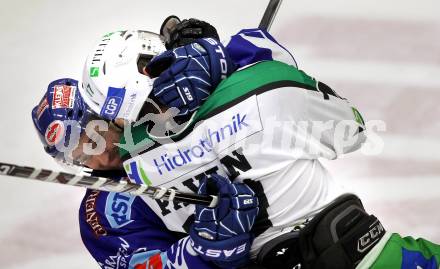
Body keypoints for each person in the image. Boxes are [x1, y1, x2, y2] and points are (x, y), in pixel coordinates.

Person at [32, 19, 440, 269]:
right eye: (73, 152)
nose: (94, 152)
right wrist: (206, 249)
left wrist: (217, 54)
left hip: (342, 238)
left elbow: (277, 65)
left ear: (108, 111)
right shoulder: (103, 209)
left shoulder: (185, 95)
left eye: (89, 134)